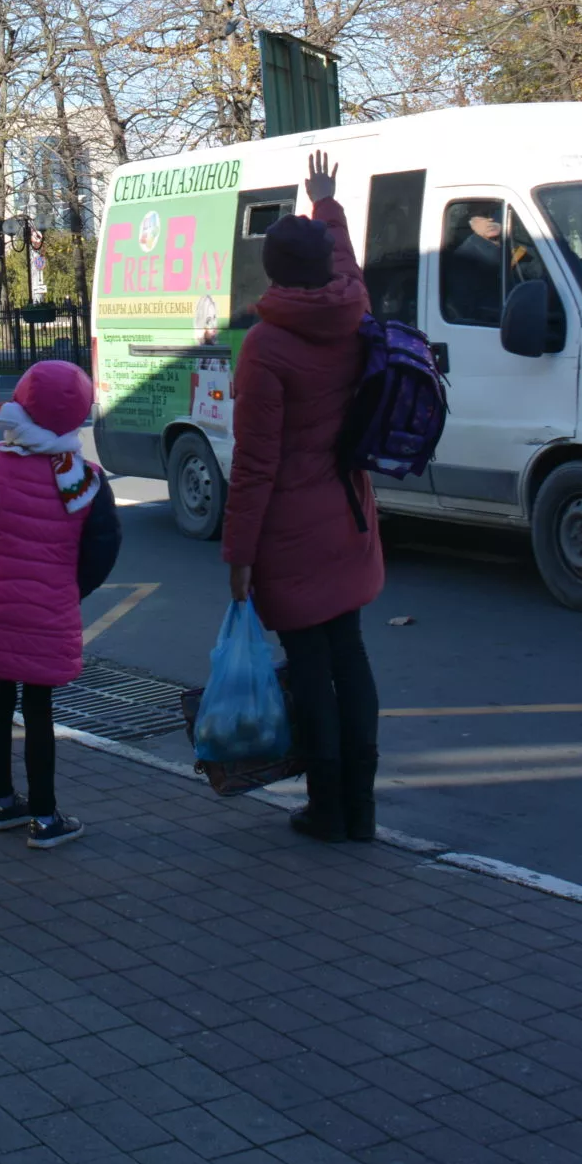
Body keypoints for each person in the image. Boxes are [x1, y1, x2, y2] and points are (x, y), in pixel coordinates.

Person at [221, 149, 386, 843]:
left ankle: (327, 807)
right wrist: (327, 202)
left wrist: (238, 556)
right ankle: (363, 810)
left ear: (272, 272)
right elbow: (346, 263)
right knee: (350, 652)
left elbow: (255, 465)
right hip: (349, 511)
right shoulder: (351, 310)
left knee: (312, 669)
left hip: (290, 528)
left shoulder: (266, 346)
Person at [0, 360, 121, 850]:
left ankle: (2, 803)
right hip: (49, 611)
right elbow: (103, 549)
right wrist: (67, 590)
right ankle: (45, 816)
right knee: (39, 709)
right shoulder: (86, 479)